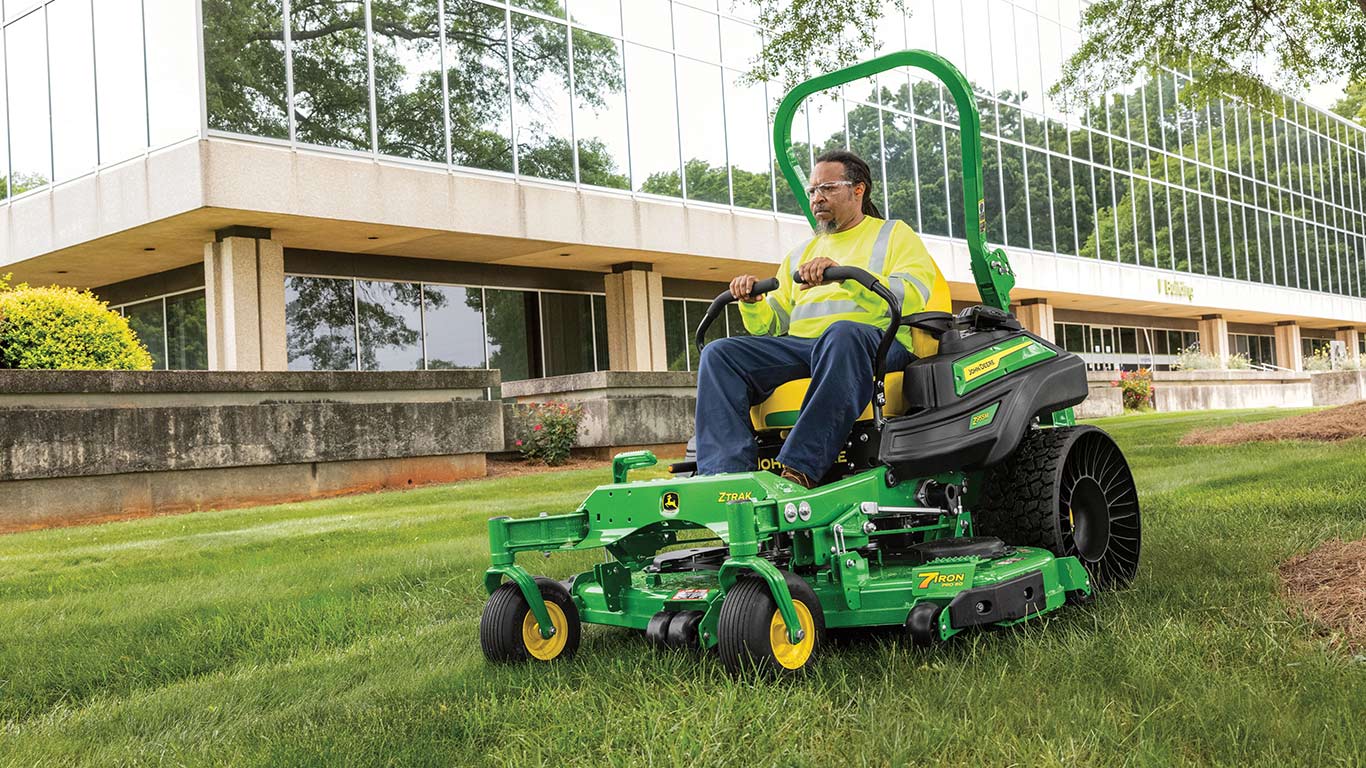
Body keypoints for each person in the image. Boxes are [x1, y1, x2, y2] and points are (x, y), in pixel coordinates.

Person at [694, 149, 948, 488]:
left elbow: (909, 295)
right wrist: (752, 302)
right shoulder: (800, 253)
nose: (817, 198)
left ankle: (799, 468)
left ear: (859, 190)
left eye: (828, 187)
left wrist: (845, 276)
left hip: (877, 344)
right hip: (806, 349)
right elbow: (770, 325)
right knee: (720, 354)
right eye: (813, 190)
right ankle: (726, 479)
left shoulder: (893, 234)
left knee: (841, 333)